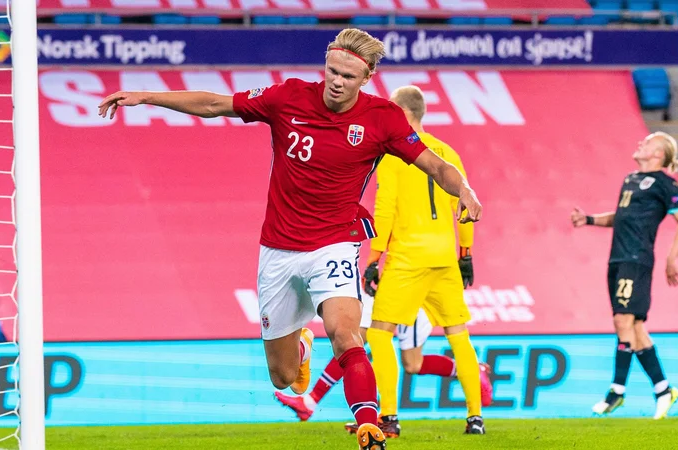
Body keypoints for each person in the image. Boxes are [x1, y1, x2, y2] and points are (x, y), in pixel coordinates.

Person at [98, 28, 482, 450]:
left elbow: (434, 165)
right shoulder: (289, 97)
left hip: (335, 244)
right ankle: (301, 343)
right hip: (278, 251)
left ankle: (370, 425)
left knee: (345, 333)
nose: (337, 81)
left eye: (349, 77)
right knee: (284, 379)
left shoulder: (382, 118)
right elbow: (214, 104)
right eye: (332, 70)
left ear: (367, 77)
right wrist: (147, 97)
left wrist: (463, 189)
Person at [363, 85, 486, 435]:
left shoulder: (392, 155)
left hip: (408, 257)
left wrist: (374, 257)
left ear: (402, 114)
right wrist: (466, 255)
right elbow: (464, 205)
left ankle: (388, 417)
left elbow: (383, 208)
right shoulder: (447, 152)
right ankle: (475, 418)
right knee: (458, 333)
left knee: (380, 334)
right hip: (444, 257)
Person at [571, 132, 678, 420]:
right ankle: (664, 390)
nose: (641, 143)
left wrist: (671, 258)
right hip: (617, 259)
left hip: (636, 260)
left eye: (648, 142)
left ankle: (616, 392)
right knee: (635, 329)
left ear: (658, 155)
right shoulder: (630, 179)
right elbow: (620, 216)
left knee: (622, 320)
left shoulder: (665, 183)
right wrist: (589, 219)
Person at [273, 294, 493, 434]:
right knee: (357, 343)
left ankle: (387, 418)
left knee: (367, 346)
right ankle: (312, 402)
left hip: (411, 289)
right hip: (388, 284)